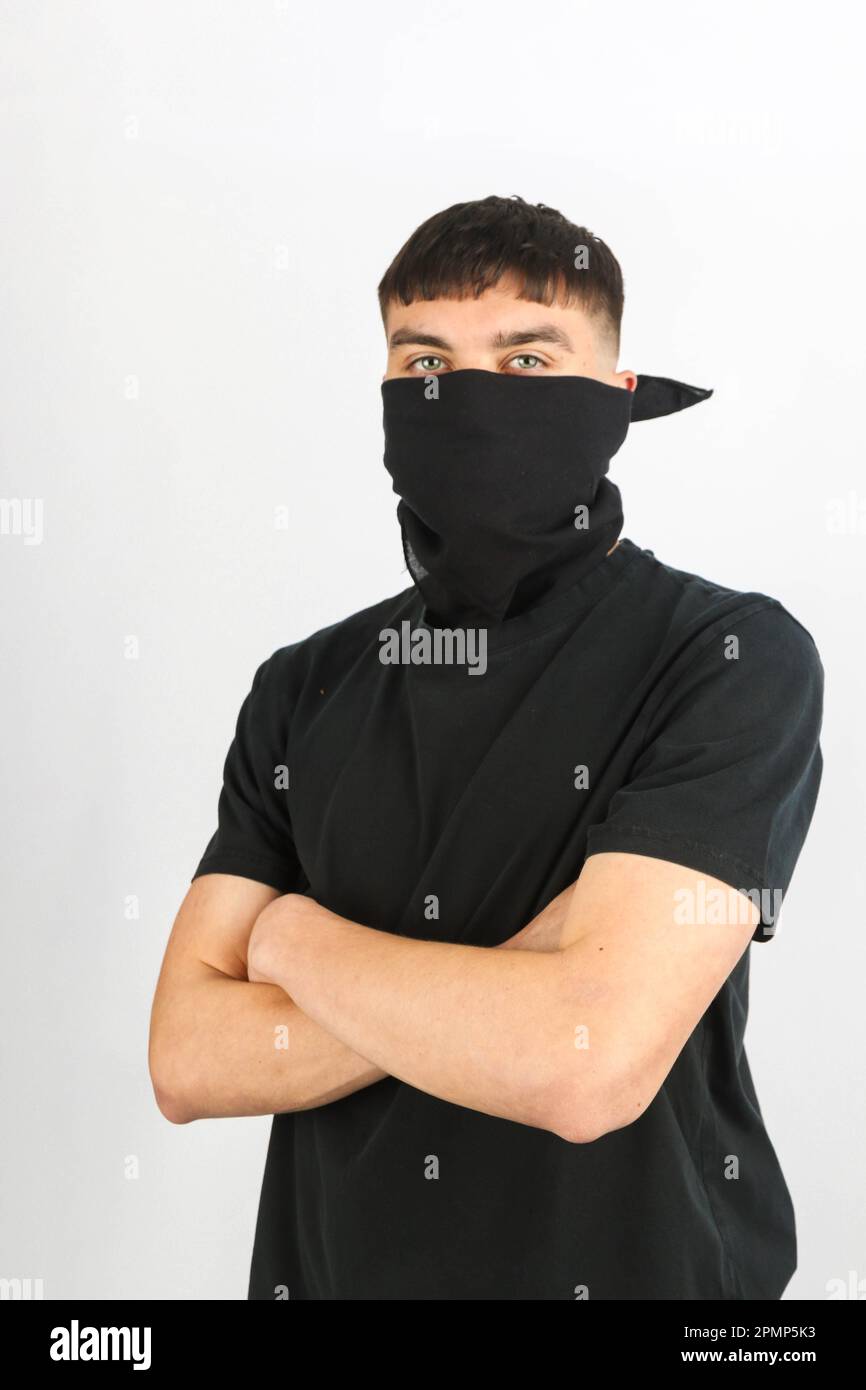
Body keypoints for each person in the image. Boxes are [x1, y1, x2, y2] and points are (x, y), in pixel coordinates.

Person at [149, 195, 824, 1300]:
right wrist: (529, 979)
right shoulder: (303, 686)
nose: (460, 399)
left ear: (612, 400)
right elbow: (186, 1057)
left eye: (523, 358)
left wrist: (289, 937)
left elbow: (582, 1066)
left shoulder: (725, 655)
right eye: (424, 360)